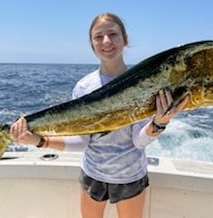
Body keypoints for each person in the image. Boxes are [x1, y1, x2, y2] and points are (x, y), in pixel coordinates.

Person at [10, 13, 189, 218]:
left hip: (129, 176)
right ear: (92, 44)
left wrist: (159, 122)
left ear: (125, 39)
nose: (106, 41)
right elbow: (83, 142)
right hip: (92, 174)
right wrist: (40, 141)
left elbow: (138, 142)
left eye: (113, 34)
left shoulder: (146, 83)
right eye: (98, 36)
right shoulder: (84, 87)